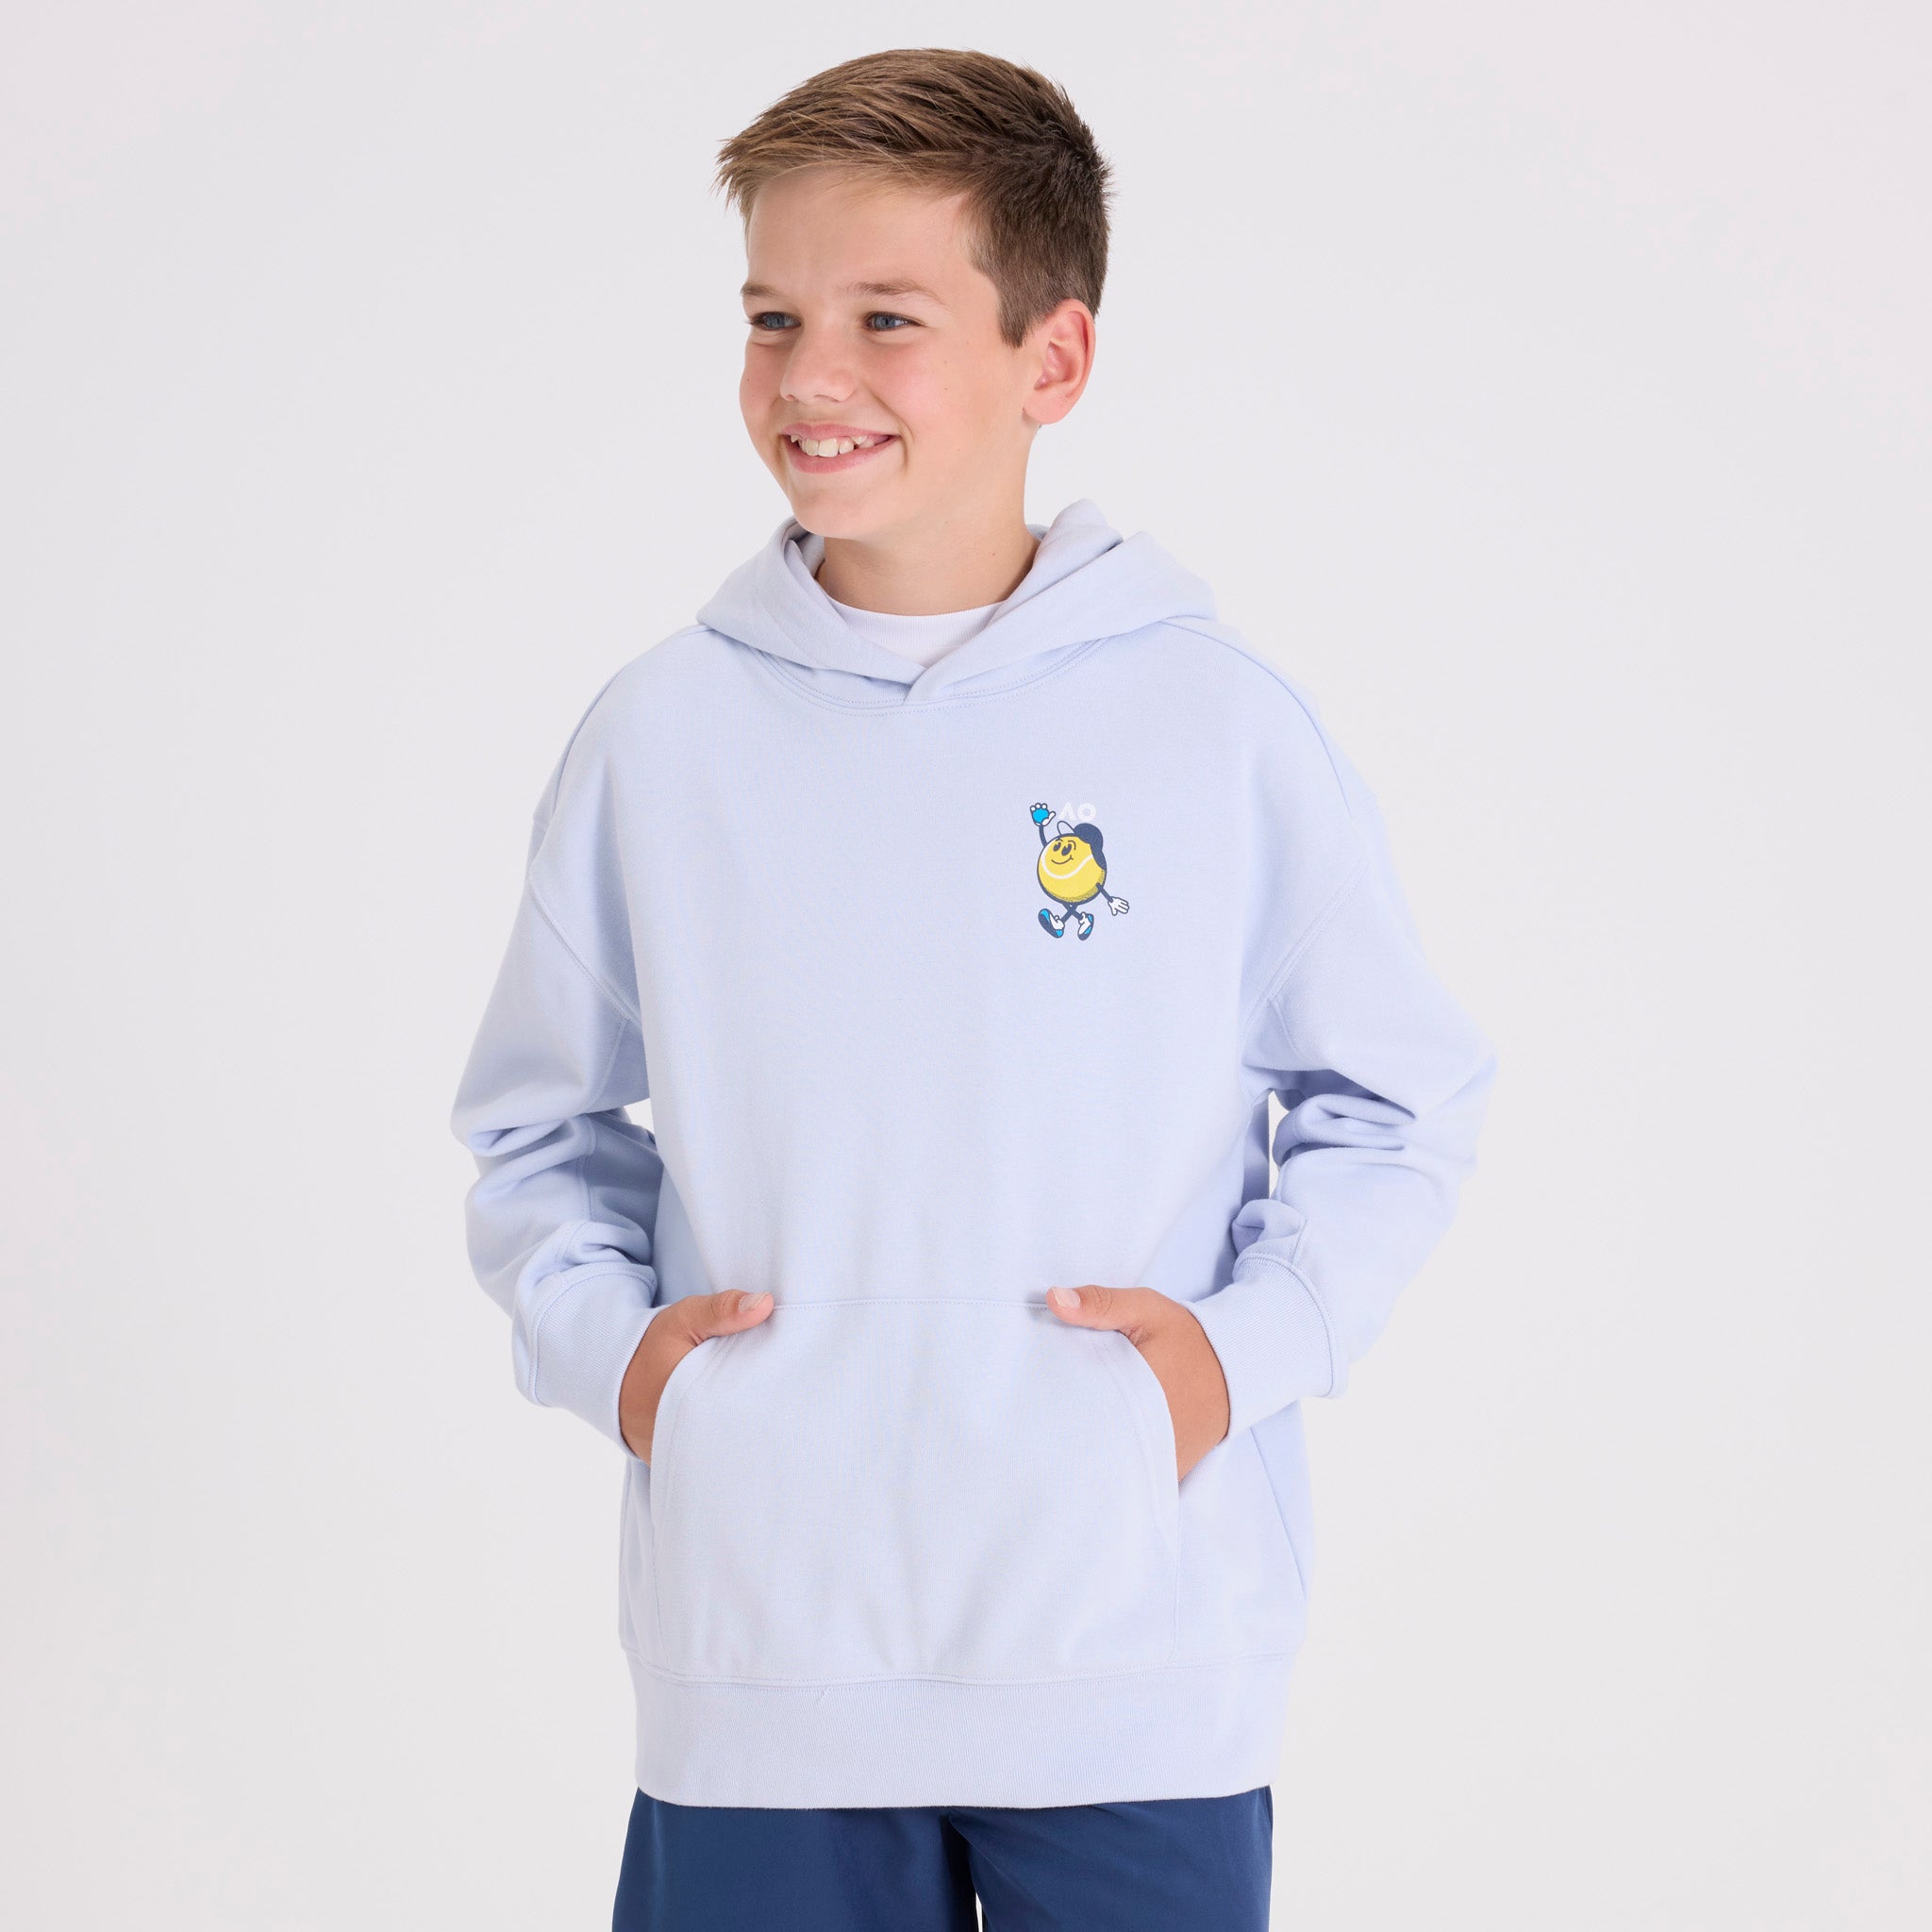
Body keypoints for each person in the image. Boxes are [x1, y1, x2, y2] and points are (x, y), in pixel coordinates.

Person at [450, 45, 1496, 1931]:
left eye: (887, 318)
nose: (810, 375)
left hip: (1133, 1657)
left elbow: (1397, 1100)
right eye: (772, 316)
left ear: (1053, 359)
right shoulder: (662, 735)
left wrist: (1234, 1360)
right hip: (764, 1658)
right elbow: (538, 1124)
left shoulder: (1213, 724)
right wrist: (626, 1362)